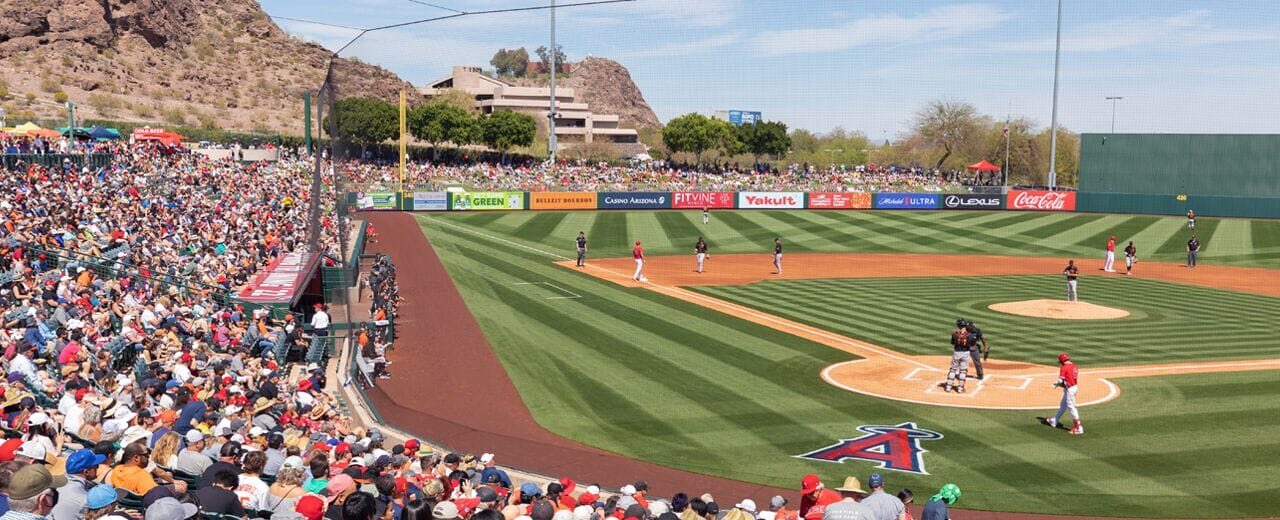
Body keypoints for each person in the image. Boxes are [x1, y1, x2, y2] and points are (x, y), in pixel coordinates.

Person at [50, 448, 108, 520]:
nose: (97, 468)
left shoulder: (53, 485)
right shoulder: (86, 500)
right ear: (86, 472)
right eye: (96, 466)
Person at [1046, 353, 1083, 435]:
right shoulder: (1074, 366)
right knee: (1063, 404)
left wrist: (1057, 384)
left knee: (1071, 407)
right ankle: (1055, 420)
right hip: (1073, 387)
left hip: (1070, 390)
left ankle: (1078, 428)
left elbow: (1060, 381)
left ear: (1062, 361)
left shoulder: (1064, 368)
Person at [944, 319, 970, 393]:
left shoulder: (954, 334)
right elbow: (971, 344)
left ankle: (948, 387)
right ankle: (960, 389)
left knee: (953, 369)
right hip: (966, 353)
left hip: (957, 353)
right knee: (963, 371)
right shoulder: (970, 335)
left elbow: (953, 343)